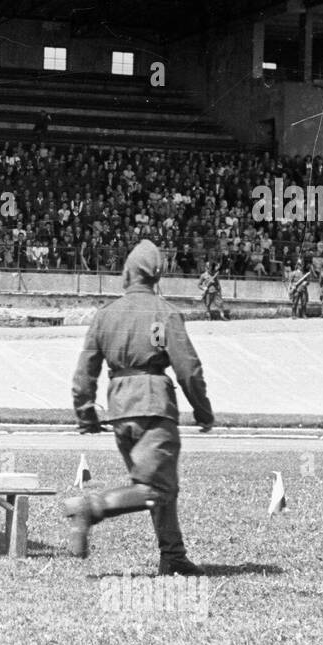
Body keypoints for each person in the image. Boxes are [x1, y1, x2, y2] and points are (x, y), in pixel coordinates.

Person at [62, 240, 214, 576]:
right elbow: (188, 368)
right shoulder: (165, 314)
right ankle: (89, 508)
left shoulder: (106, 315)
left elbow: (84, 370)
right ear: (157, 276)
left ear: (127, 272)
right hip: (154, 406)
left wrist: (86, 414)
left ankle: (172, 556)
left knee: (158, 484)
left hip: (119, 411)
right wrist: (203, 411)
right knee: (155, 487)